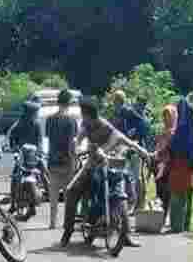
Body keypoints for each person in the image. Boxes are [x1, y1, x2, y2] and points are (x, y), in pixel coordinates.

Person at [60, 96, 153, 248]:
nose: (83, 119)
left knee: (122, 193)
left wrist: (144, 153)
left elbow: (124, 139)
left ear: (89, 115)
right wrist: (77, 146)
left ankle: (126, 235)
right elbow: (79, 138)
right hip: (91, 167)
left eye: (84, 115)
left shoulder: (105, 126)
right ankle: (68, 231)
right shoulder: (86, 125)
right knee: (71, 192)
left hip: (110, 168)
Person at [156, 96, 193, 234]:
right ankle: (185, 225)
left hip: (180, 164)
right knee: (187, 194)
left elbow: (174, 145)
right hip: (191, 164)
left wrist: (163, 151)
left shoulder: (181, 129)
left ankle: (177, 226)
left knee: (177, 194)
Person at [45, 88, 78, 231]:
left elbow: (49, 138)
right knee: (68, 194)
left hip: (53, 159)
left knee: (53, 192)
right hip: (67, 160)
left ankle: (52, 222)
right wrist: (75, 159)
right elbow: (72, 142)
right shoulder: (71, 120)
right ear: (69, 103)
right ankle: (66, 223)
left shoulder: (49, 119)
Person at [154, 102, 177, 224]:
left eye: (168, 115)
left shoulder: (174, 131)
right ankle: (159, 216)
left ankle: (164, 216)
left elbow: (167, 146)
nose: (166, 118)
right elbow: (159, 144)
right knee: (159, 190)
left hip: (169, 165)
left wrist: (158, 151)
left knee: (166, 191)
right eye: (165, 115)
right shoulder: (163, 130)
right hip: (159, 164)